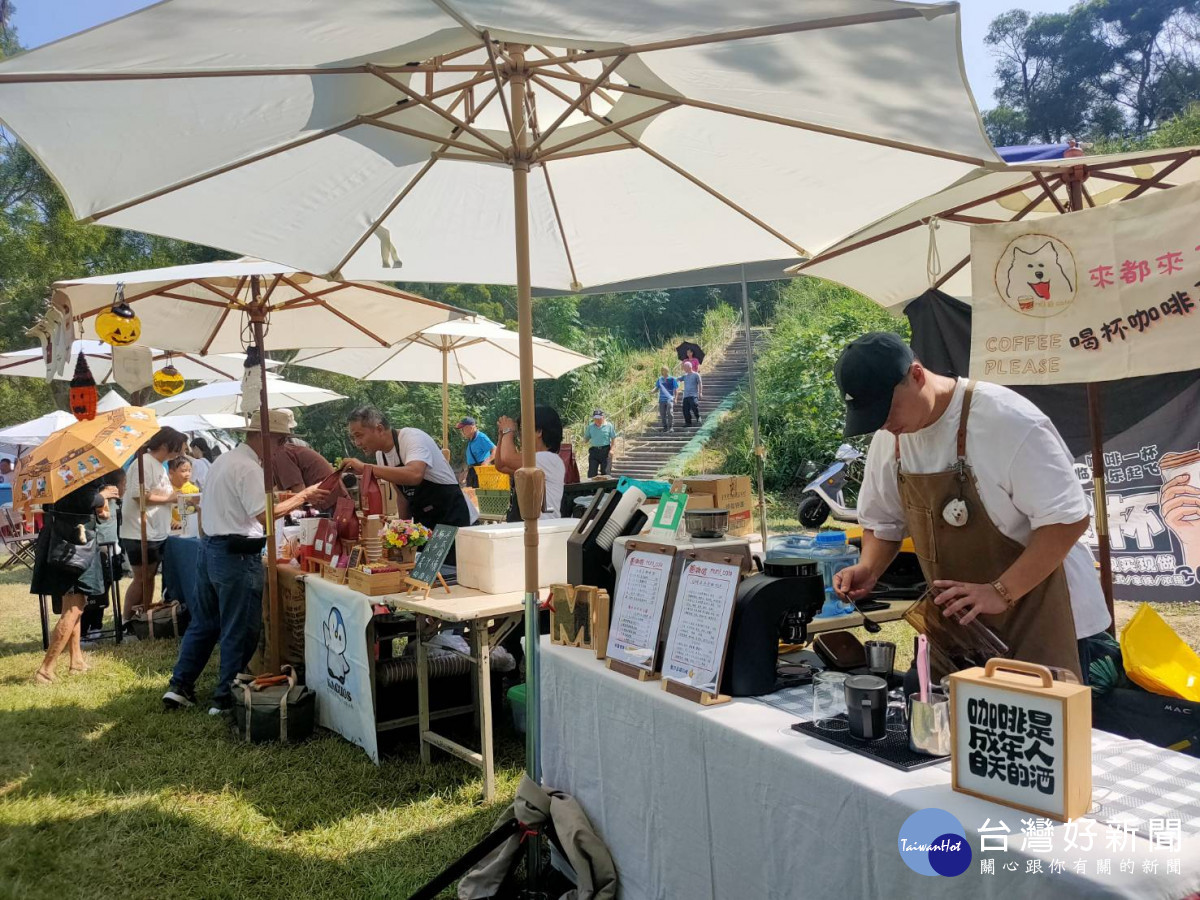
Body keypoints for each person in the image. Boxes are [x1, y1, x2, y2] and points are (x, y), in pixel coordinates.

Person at [830, 333, 1110, 682]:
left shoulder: (1007, 420)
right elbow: (884, 523)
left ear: (916, 375)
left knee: (1046, 728)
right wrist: (869, 568)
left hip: (1046, 618)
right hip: (963, 633)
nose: (884, 425)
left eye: (886, 410)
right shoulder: (890, 440)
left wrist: (1001, 591)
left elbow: (1067, 520)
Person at [163, 410, 328, 714]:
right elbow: (262, 514)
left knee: (205, 623)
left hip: (211, 549)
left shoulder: (225, 461)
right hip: (236, 554)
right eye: (281, 441)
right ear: (268, 438)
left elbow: (250, 500)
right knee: (240, 628)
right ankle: (225, 698)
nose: (282, 448)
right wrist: (302, 496)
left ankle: (180, 686)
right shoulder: (250, 468)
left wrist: (286, 497)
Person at [343, 407, 471, 557]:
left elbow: (415, 474)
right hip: (424, 523)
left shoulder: (412, 438)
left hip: (451, 517)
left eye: (359, 435)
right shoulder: (381, 456)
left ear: (379, 429)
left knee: (450, 573)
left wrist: (366, 468)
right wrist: (400, 533)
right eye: (354, 438)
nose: (357, 443)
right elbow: (402, 497)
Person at [32, 478, 118, 682]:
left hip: (66, 542)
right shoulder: (76, 471)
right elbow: (83, 500)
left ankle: (76, 661)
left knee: (77, 602)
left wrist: (100, 505)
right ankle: (46, 669)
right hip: (72, 545)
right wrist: (102, 496)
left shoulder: (59, 473)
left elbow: (77, 505)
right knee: (73, 607)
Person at [119, 427, 188, 624]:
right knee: (141, 578)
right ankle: (127, 620)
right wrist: (170, 497)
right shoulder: (144, 463)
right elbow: (139, 496)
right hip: (140, 531)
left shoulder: (159, 465)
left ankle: (144, 616)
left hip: (155, 531)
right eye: (179, 449)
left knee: (149, 577)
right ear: (166, 445)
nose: (181, 454)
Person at [494, 406, 566, 520]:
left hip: (545, 527)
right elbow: (501, 465)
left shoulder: (549, 459)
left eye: (523, 428)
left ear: (539, 431)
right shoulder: (535, 460)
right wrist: (502, 435)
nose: (520, 434)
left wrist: (508, 431)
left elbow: (507, 458)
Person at [81, 469, 126, 643]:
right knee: (94, 593)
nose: (125, 488)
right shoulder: (101, 500)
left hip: (113, 550)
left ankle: (97, 625)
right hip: (99, 550)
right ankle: (85, 629)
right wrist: (103, 497)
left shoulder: (117, 502)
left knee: (105, 590)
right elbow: (101, 516)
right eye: (124, 484)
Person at [264, 411, 343, 510]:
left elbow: (299, 493)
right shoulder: (284, 452)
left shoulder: (281, 454)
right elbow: (282, 488)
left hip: (330, 505)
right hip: (330, 502)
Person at [456, 417, 496, 489]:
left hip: (481, 472)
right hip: (472, 472)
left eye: (463, 428)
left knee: (478, 496)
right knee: (471, 497)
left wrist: (487, 461)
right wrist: (465, 472)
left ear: (471, 427)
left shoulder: (481, 437)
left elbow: (495, 450)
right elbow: (471, 459)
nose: (462, 431)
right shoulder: (471, 440)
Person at [167, 456, 201, 533]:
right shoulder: (166, 489)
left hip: (189, 529)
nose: (187, 474)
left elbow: (195, 512)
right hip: (172, 529)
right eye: (183, 471)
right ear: (171, 471)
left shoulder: (194, 490)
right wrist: (172, 522)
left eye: (189, 471)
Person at [584, 409, 617, 478]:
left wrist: (612, 450)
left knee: (605, 473)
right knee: (591, 473)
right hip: (594, 451)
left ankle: (605, 488)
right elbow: (586, 438)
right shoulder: (590, 427)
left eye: (599, 418)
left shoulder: (609, 426)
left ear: (603, 417)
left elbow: (613, 439)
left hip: (605, 451)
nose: (597, 420)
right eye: (595, 418)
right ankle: (592, 488)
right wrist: (583, 442)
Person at [654, 366, 680, 433]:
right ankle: (665, 427)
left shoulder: (672, 379)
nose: (665, 372)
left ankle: (671, 427)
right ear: (662, 371)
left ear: (668, 371)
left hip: (669, 399)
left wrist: (676, 398)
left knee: (670, 413)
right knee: (662, 414)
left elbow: (676, 389)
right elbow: (656, 388)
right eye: (663, 370)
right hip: (661, 399)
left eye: (666, 370)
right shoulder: (660, 379)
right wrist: (652, 391)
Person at [680, 360, 704, 427]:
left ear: (689, 367)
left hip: (693, 394)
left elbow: (700, 383)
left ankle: (698, 417)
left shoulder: (696, 375)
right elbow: (677, 379)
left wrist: (700, 392)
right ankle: (688, 422)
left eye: (684, 367)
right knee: (685, 409)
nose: (684, 369)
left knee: (694, 405)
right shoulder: (684, 376)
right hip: (686, 395)